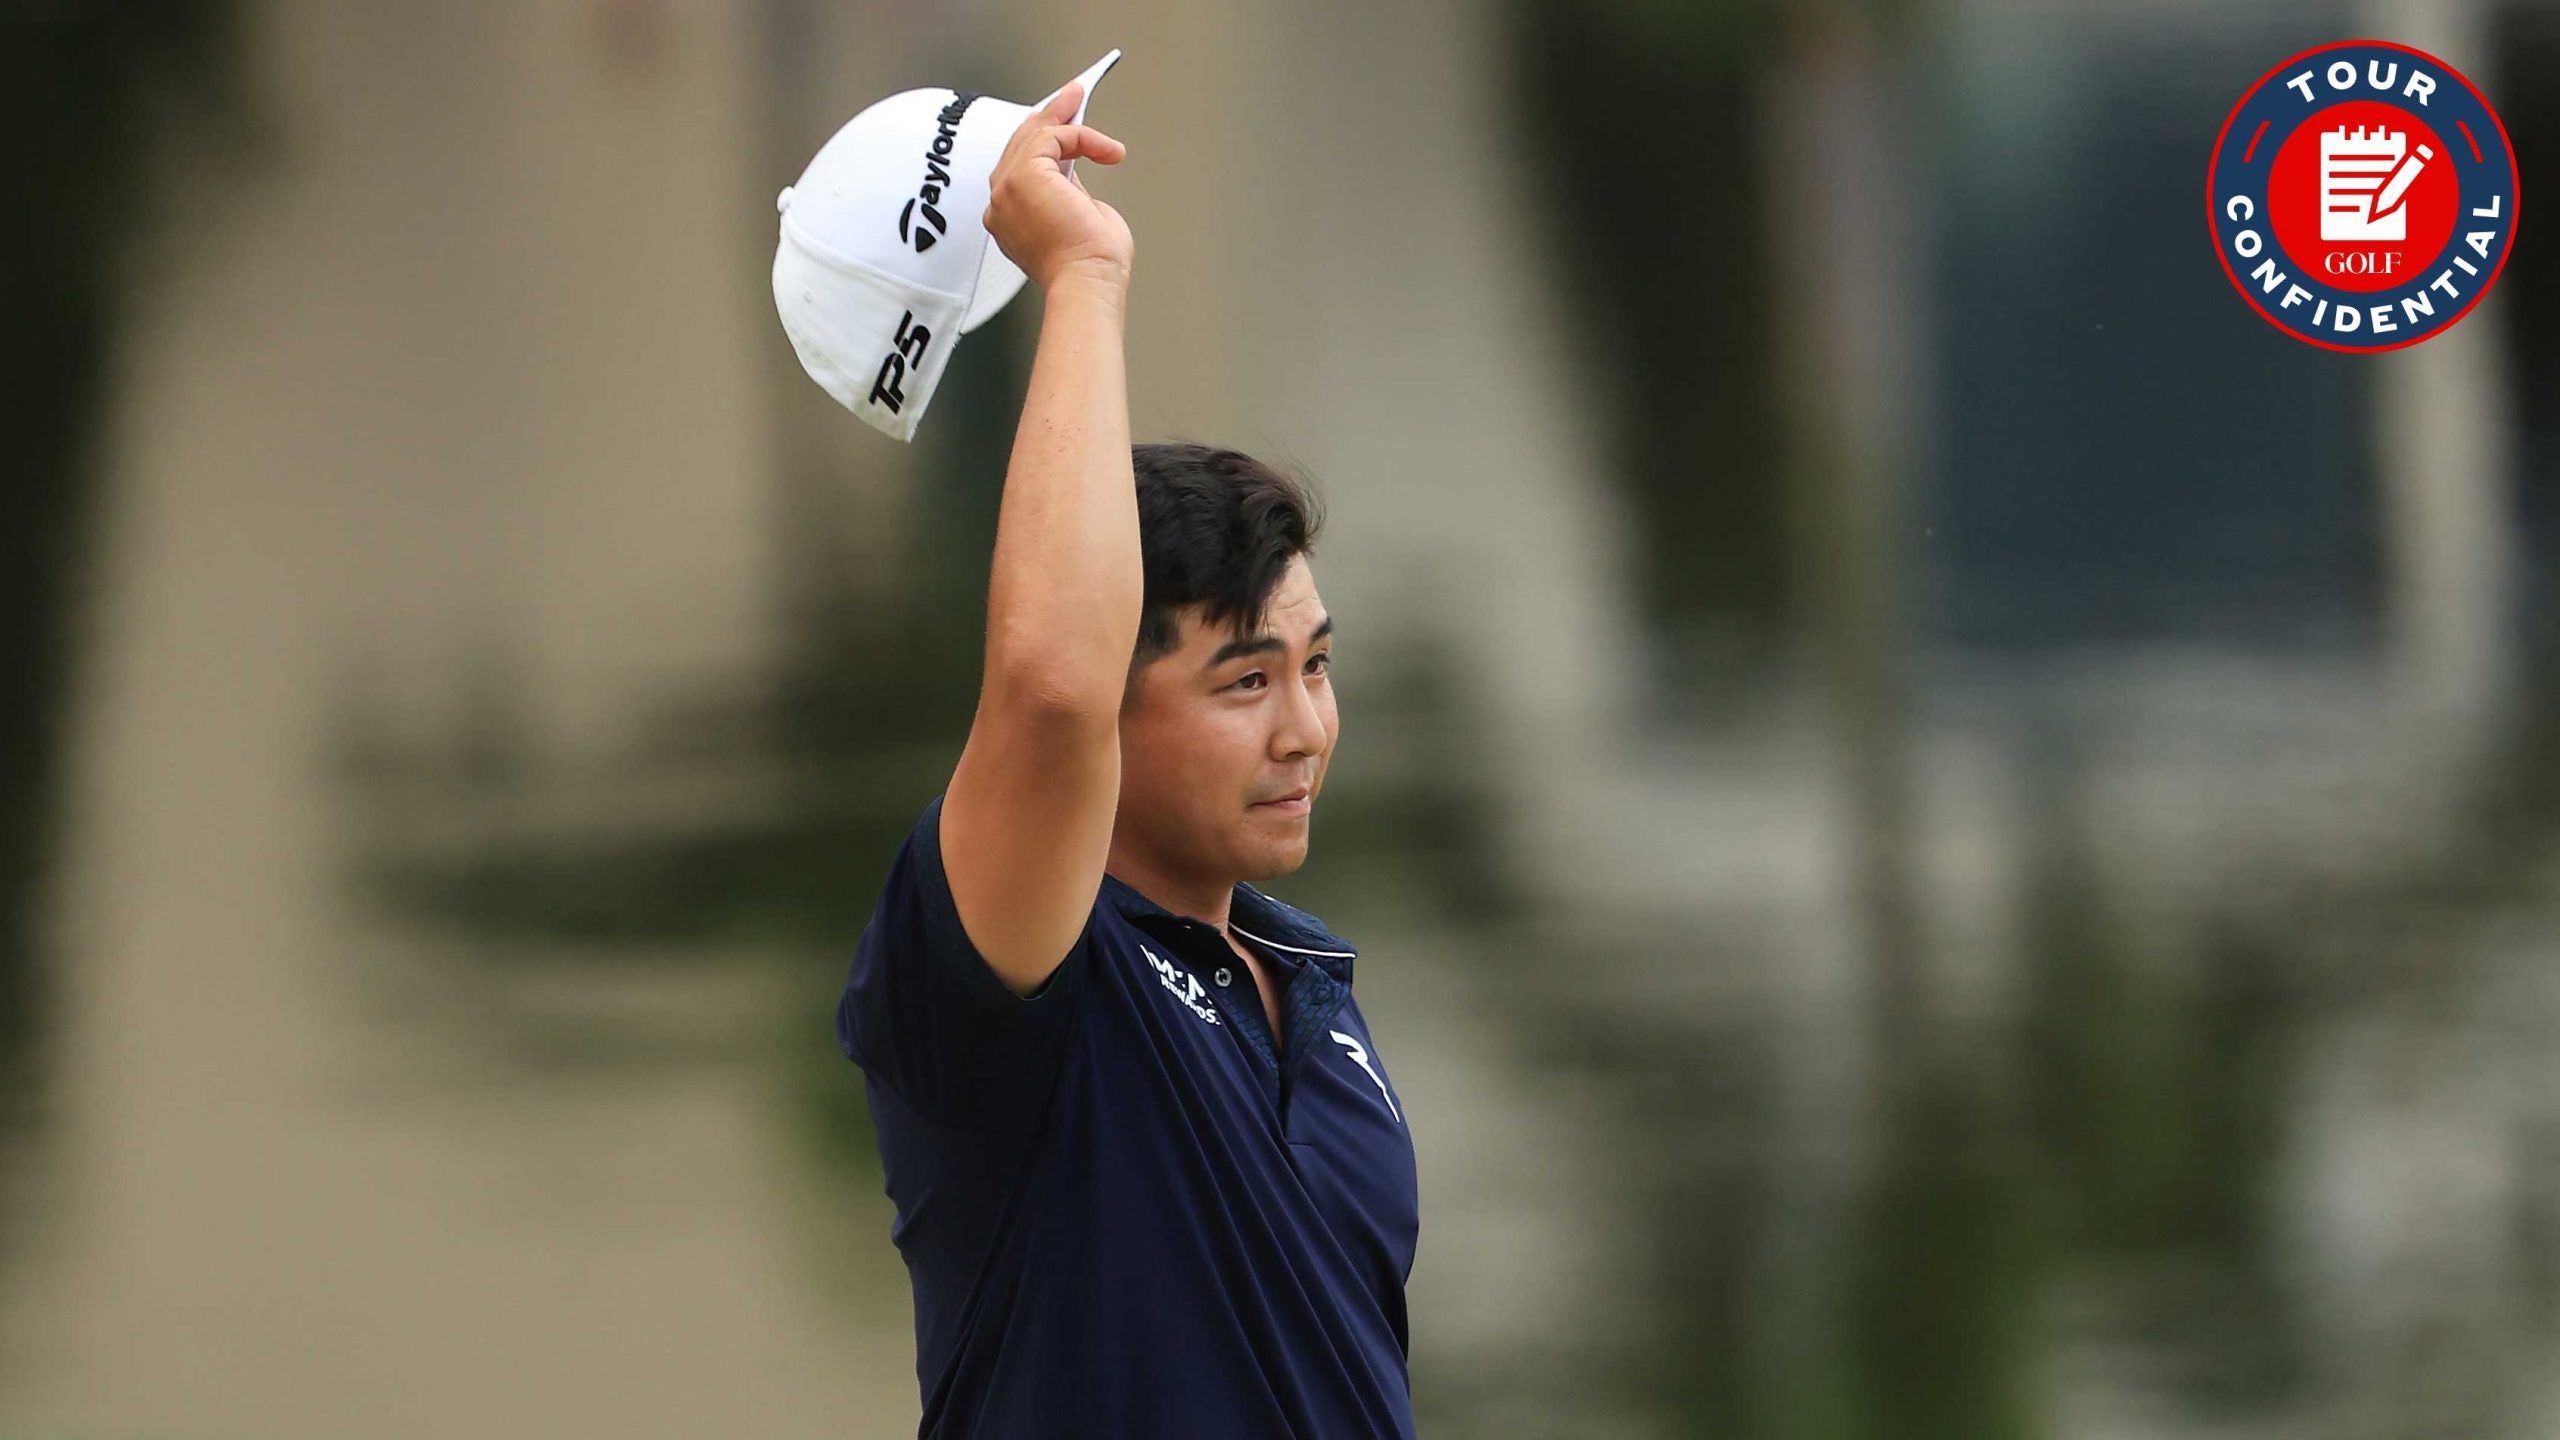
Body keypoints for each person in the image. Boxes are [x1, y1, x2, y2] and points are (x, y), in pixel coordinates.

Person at [834, 79, 1421, 1439]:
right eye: (1243, 683)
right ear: (1117, 703)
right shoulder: (1018, 986)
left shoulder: (1312, 986)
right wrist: (1085, 274)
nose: (1305, 730)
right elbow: (1043, 687)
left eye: (1314, 669)